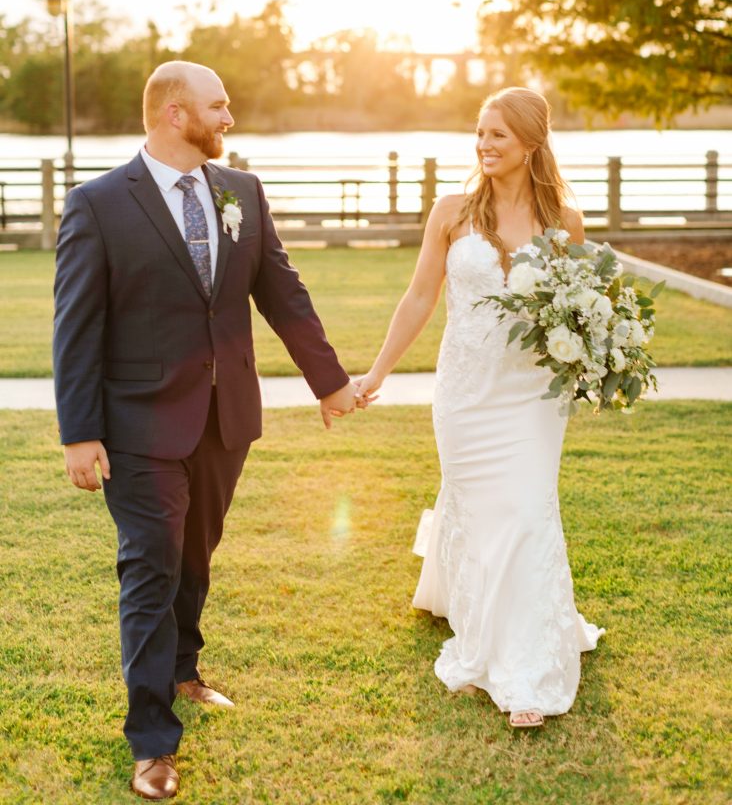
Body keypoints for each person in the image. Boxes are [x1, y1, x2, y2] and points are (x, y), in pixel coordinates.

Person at [53, 61, 359, 799]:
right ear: (171, 114)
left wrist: (331, 382)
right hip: (136, 425)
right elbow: (76, 327)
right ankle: (153, 741)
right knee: (152, 564)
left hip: (225, 421)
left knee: (196, 555)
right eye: (217, 107)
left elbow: (283, 292)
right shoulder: (97, 205)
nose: (229, 119)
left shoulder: (241, 193)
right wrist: (78, 433)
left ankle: (184, 669)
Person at [355, 87, 604, 729]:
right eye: (480, 132)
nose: (484, 145)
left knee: (525, 511)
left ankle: (526, 668)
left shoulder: (564, 223)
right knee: (478, 507)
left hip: (531, 398)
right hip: (465, 393)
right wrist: (377, 371)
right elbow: (418, 299)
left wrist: (597, 356)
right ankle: (474, 618)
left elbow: (580, 309)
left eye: (497, 134)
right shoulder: (451, 212)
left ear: (530, 142)